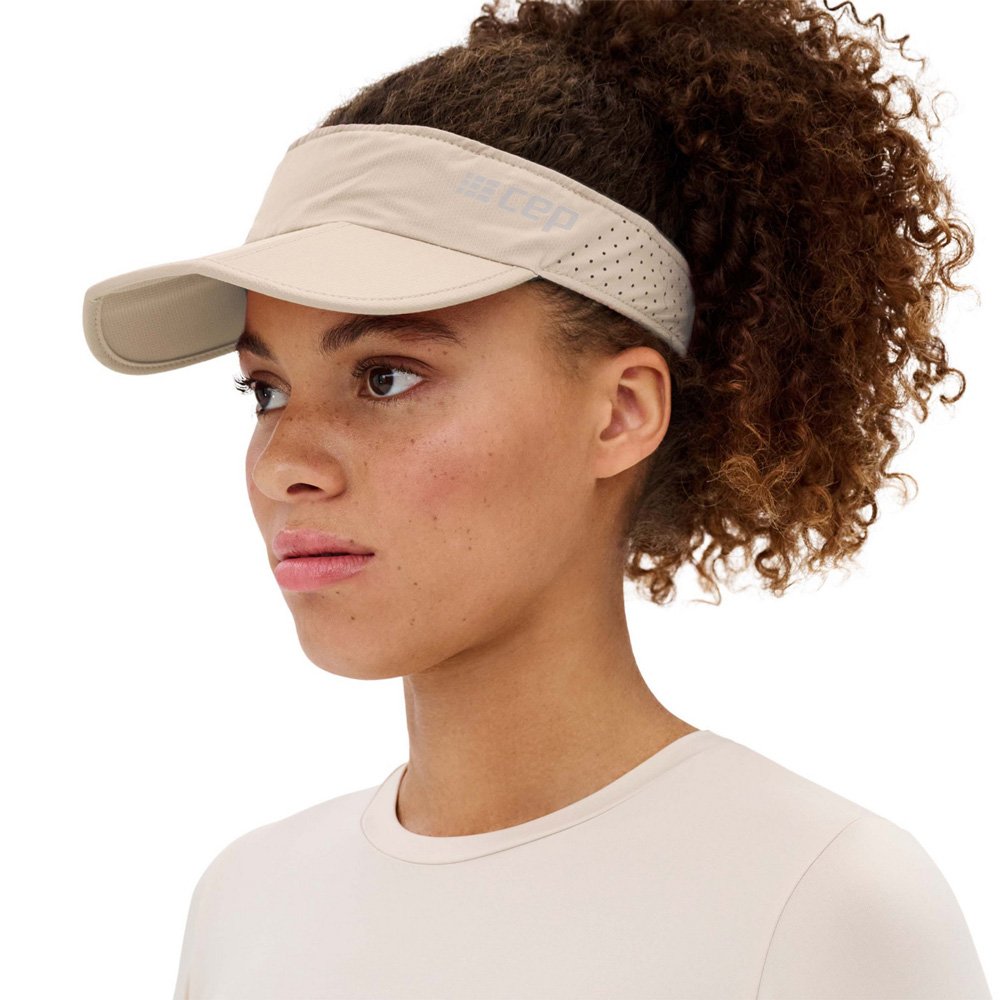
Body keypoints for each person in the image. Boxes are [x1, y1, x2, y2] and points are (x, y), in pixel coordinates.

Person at [81, 1, 992, 997]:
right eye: (265, 390)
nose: (283, 465)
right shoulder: (248, 902)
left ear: (621, 412)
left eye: (386, 376)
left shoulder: (819, 905)